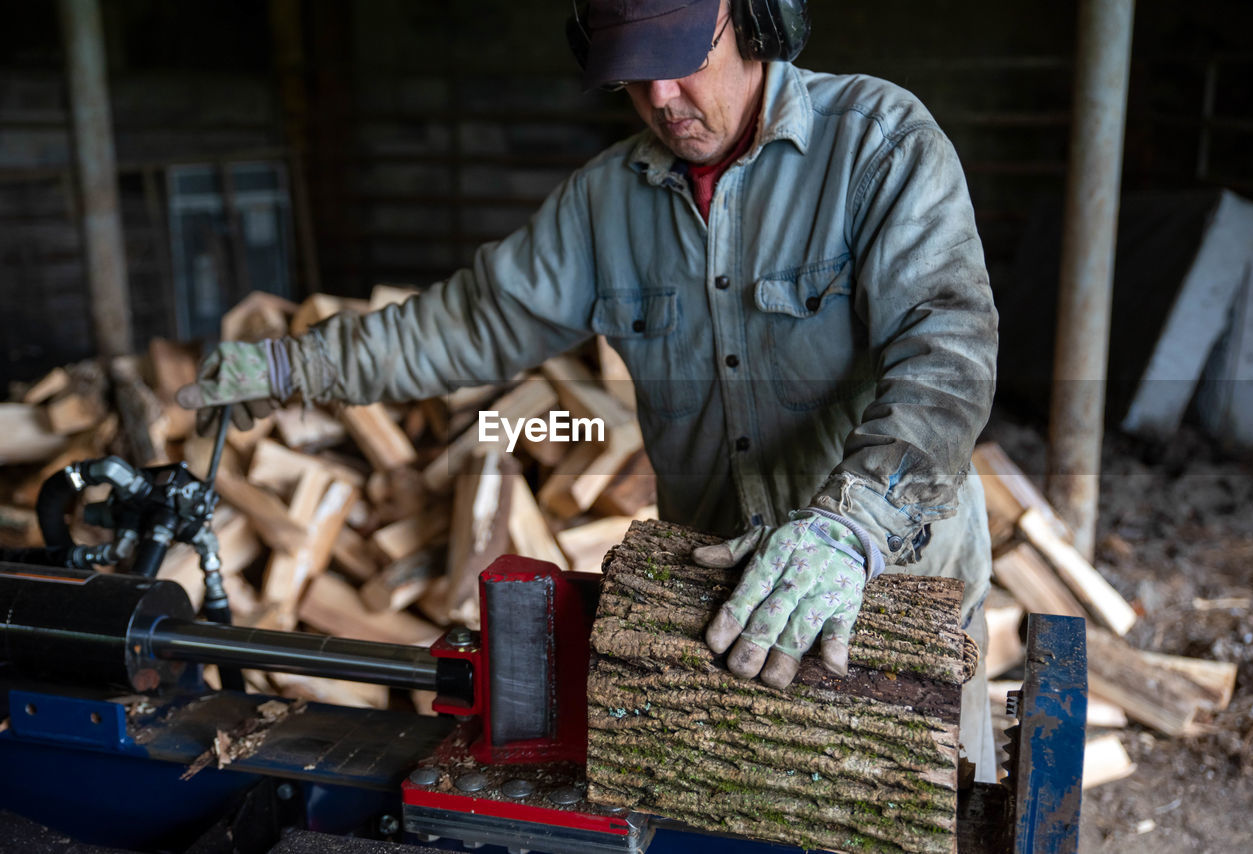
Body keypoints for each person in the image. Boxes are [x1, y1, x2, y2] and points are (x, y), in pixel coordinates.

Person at [178, 0, 999, 780]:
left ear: (756, 19)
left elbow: (949, 353)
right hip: (722, 609)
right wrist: (294, 369)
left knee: (935, 814)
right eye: (633, 76)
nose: (660, 98)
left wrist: (849, 528)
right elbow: (466, 323)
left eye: (680, 62)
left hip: (891, 591)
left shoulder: (876, 144)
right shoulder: (607, 203)